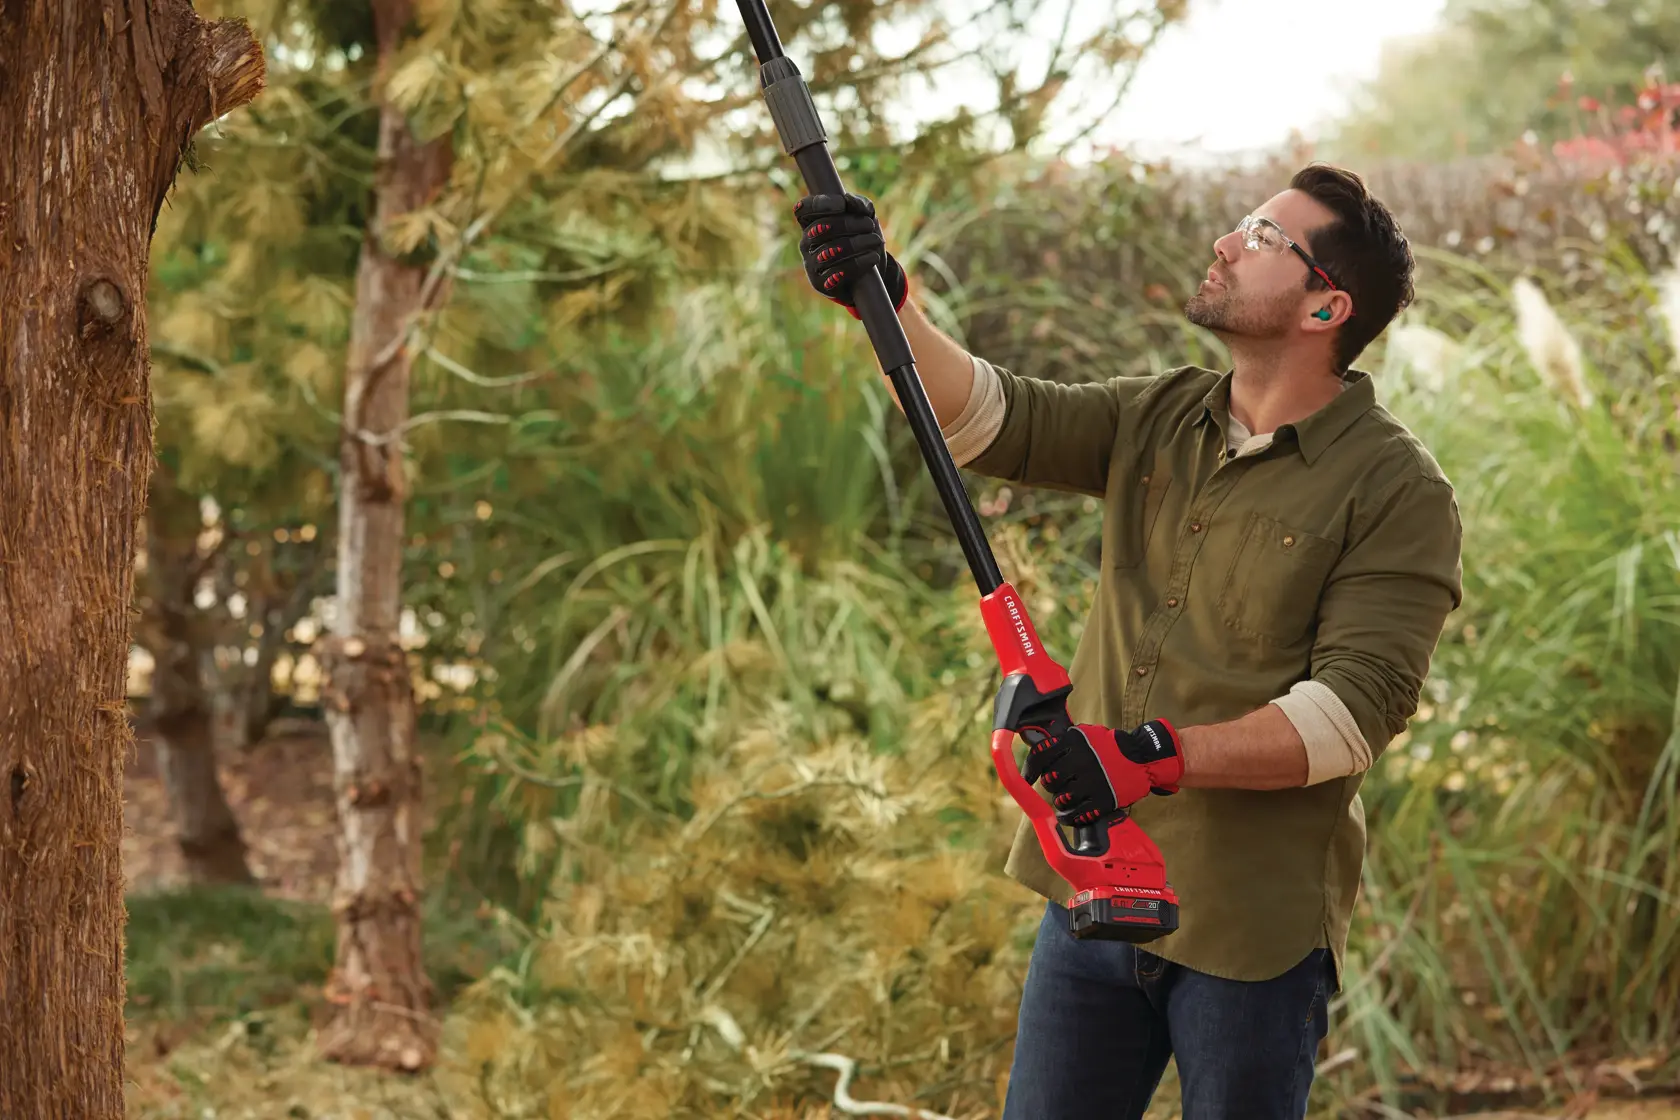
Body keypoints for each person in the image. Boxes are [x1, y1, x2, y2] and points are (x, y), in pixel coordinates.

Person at [792, 163, 1464, 1120]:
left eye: (1267, 238)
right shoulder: (1162, 415)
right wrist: (885, 299)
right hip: (1094, 890)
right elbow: (987, 417)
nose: (1229, 242)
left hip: (1249, 932)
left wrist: (1147, 758)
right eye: (1241, 222)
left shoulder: (1397, 490)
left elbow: (1350, 715)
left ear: (1327, 308)